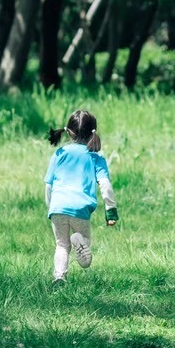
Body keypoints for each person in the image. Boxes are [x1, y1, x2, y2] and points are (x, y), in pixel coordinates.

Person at [43, 110, 117, 284]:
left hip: (58, 207)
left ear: (68, 132)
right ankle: (79, 239)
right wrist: (111, 210)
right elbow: (105, 185)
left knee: (61, 245)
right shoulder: (95, 158)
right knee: (85, 255)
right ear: (94, 132)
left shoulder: (59, 154)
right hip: (80, 208)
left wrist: (50, 208)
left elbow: (49, 185)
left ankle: (59, 276)